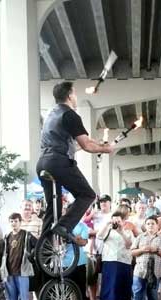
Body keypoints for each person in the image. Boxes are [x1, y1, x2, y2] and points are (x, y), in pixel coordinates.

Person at [37, 81, 114, 241]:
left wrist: (97, 143)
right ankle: (64, 226)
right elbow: (86, 145)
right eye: (75, 94)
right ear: (70, 95)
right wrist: (105, 149)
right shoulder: (70, 114)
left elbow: (74, 145)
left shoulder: (51, 114)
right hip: (59, 163)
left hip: (44, 162)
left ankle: (42, 250)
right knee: (87, 195)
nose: (76, 97)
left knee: (54, 208)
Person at [125, 216, 161, 300]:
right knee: (137, 295)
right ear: (145, 225)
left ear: (157, 225)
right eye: (148, 223)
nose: (150, 226)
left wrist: (157, 251)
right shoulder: (140, 237)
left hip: (155, 272)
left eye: (153, 223)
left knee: (153, 296)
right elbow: (132, 252)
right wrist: (141, 250)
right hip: (140, 271)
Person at [2, 213, 37, 300]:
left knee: (24, 297)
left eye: (16, 221)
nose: (13, 224)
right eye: (11, 221)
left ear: (20, 222)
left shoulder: (26, 235)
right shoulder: (7, 236)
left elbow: (36, 246)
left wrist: (31, 256)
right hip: (9, 272)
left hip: (22, 272)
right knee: (11, 297)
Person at [98, 212, 134, 300]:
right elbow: (99, 236)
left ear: (123, 221)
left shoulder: (127, 231)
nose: (116, 223)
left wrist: (121, 231)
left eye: (118, 221)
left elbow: (129, 245)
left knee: (120, 288)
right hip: (110, 261)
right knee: (108, 288)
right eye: (114, 220)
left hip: (124, 262)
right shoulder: (108, 230)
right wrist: (108, 224)